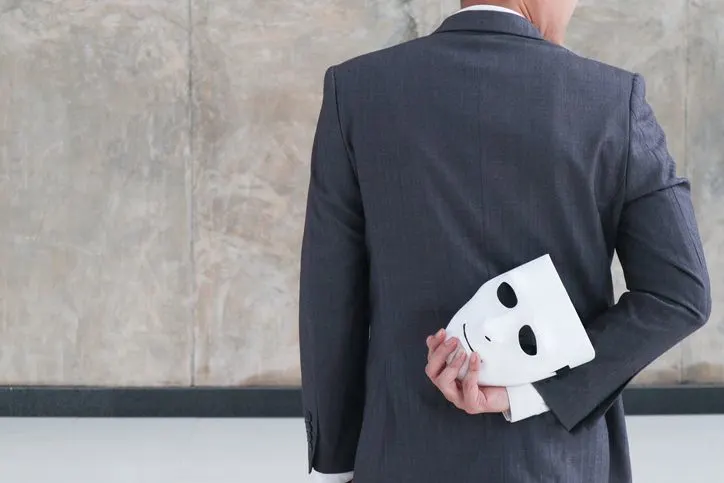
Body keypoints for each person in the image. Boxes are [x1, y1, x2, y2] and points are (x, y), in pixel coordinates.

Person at [298, 1, 712, 482]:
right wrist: (530, 393)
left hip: (402, 456)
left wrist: (335, 466)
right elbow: (679, 295)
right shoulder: (612, 100)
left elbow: (330, 298)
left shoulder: (358, 91)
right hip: (560, 462)